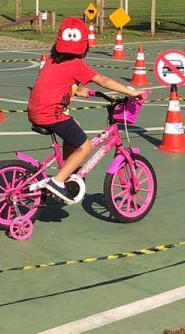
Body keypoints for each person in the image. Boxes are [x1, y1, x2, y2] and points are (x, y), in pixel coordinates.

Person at [27, 17, 145, 202]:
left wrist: (87, 92)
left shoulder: (52, 61)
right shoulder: (76, 64)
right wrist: (132, 91)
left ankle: (68, 170)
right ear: (84, 45)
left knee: (75, 126)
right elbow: (104, 80)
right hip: (51, 114)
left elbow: (63, 85)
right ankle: (58, 182)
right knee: (85, 147)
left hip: (35, 111)